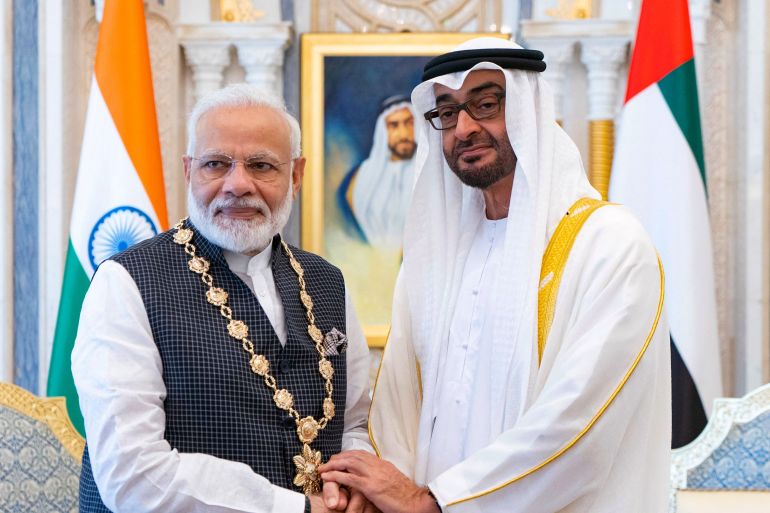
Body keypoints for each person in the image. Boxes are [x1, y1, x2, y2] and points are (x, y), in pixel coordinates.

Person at [319, 37, 671, 513]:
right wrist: (382, 491)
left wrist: (435, 502)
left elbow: (580, 425)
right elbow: (398, 403)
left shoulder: (609, 246)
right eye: (447, 112)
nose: (463, 128)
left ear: (530, 110)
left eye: (486, 104)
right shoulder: (432, 261)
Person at [72, 84, 374, 513]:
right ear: (188, 170)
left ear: (297, 175)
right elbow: (131, 475)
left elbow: (355, 423)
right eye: (215, 164)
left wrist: (353, 486)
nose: (237, 184)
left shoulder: (327, 282)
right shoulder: (125, 283)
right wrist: (294, 508)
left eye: (261, 165)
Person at [337, 95, 418, 250]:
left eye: (409, 123)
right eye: (394, 125)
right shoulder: (360, 179)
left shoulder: (430, 172)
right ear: (383, 131)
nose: (403, 133)